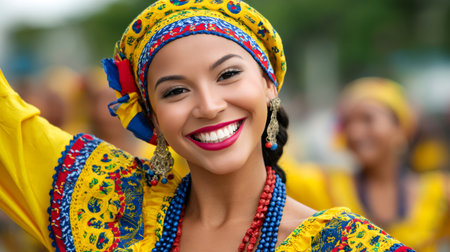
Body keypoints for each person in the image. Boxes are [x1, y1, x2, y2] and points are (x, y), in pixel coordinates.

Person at [0, 1, 413, 251]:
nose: (210, 106)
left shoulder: (339, 244)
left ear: (269, 85)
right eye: (176, 92)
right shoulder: (102, 201)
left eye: (228, 75)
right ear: (152, 118)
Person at [327, 77, 449, 251]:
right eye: (348, 122)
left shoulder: (439, 192)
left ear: (400, 128)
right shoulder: (323, 185)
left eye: (367, 119)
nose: (354, 133)